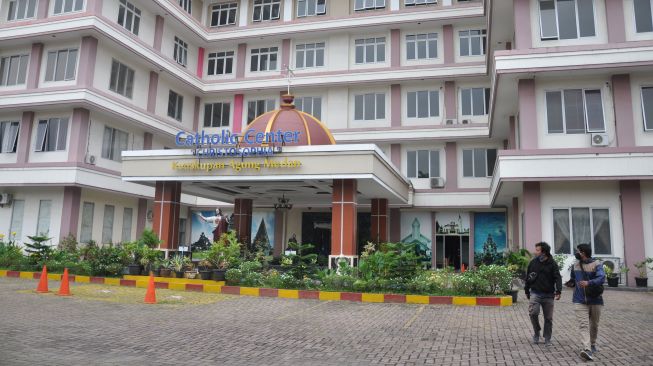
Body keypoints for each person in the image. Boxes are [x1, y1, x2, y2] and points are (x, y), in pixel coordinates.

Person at [524, 242, 562, 347]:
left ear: (544, 252)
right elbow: (528, 277)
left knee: (548, 318)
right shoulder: (533, 263)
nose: (535, 252)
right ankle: (537, 332)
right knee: (533, 313)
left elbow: (557, 278)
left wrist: (558, 291)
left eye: (537, 250)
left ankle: (547, 338)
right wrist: (527, 290)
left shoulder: (552, 264)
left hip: (549, 295)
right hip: (535, 293)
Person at [572, 243, 605, 362]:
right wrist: (570, 283)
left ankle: (593, 343)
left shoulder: (597, 264)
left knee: (594, 324)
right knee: (583, 324)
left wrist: (588, 283)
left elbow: (602, 278)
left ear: (583, 252)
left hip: (595, 299)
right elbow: (573, 279)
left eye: (578, 251)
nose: (576, 253)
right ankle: (587, 349)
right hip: (579, 300)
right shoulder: (575, 265)